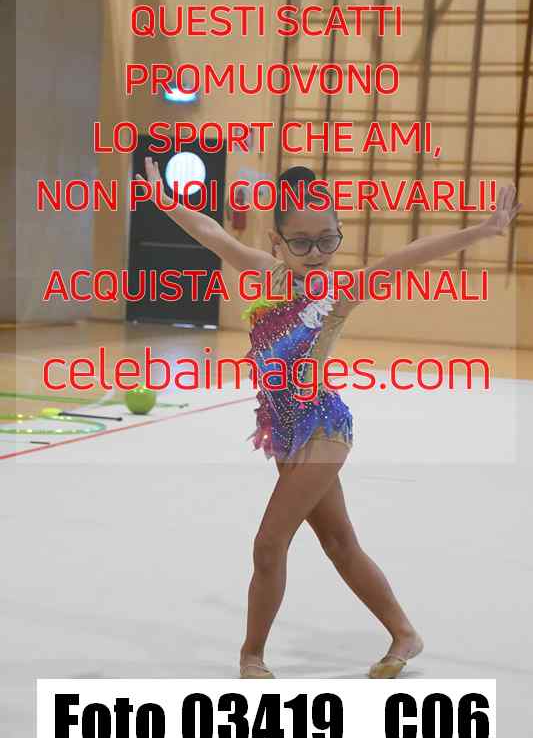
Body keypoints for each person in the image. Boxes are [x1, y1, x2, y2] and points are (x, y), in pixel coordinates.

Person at [136, 159, 521, 679]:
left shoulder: (341, 290)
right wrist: (167, 203)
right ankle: (405, 634)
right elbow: (213, 234)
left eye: (327, 240)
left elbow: (409, 255)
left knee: (268, 543)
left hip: (323, 426)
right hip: (283, 432)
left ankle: (252, 655)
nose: (316, 254)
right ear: (276, 242)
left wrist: (484, 229)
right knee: (340, 544)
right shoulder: (265, 273)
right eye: (301, 243)